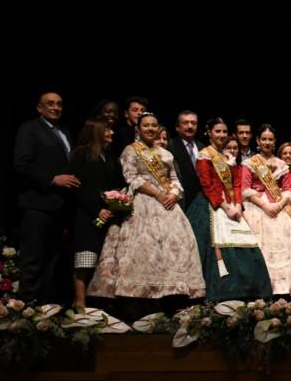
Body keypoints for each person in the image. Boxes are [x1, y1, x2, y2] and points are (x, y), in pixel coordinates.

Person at [88, 112, 206, 304]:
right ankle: (140, 297)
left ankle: (171, 293)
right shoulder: (130, 150)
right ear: (138, 129)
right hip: (143, 202)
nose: (151, 129)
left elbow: (174, 179)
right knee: (144, 246)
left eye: (154, 125)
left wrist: (173, 194)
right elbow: (132, 178)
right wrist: (158, 194)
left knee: (177, 246)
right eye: (146, 126)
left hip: (168, 204)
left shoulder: (165, 153)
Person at [185, 117, 272, 301]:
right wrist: (225, 207)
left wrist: (238, 205)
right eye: (217, 131)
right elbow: (207, 185)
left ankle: (248, 291)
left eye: (224, 131)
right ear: (209, 133)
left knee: (246, 244)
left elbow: (237, 184)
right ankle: (221, 293)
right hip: (212, 205)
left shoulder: (228, 156)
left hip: (233, 205)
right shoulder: (205, 155)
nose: (222, 135)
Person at [13, 91, 78, 303]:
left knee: (53, 260)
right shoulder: (30, 129)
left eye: (59, 104)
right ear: (39, 108)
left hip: (61, 207)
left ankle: (45, 308)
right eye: (50, 103)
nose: (55, 107)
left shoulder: (65, 131)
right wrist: (52, 179)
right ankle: (26, 308)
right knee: (33, 259)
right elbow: (21, 164)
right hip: (37, 204)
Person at [240, 124, 291, 298]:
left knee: (283, 248)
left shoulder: (281, 164)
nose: (267, 142)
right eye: (264, 139)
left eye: (270, 139)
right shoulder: (249, 163)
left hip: (277, 207)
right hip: (257, 208)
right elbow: (245, 189)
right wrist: (265, 206)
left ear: (274, 141)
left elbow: (287, 189)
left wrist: (279, 204)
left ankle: (283, 290)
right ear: (258, 141)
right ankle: (261, 290)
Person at [68, 119, 124, 308]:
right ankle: (79, 301)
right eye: (107, 130)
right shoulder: (81, 154)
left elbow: (115, 184)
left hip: (108, 214)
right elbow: (78, 186)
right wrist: (96, 209)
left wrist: (116, 203)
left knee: (102, 259)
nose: (111, 133)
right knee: (85, 258)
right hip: (86, 215)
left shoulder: (109, 157)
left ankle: (98, 303)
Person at [169, 110, 204, 210]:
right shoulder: (170, 146)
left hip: (201, 200)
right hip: (181, 200)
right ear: (177, 127)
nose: (190, 126)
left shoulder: (202, 147)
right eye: (185, 123)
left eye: (193, 123)